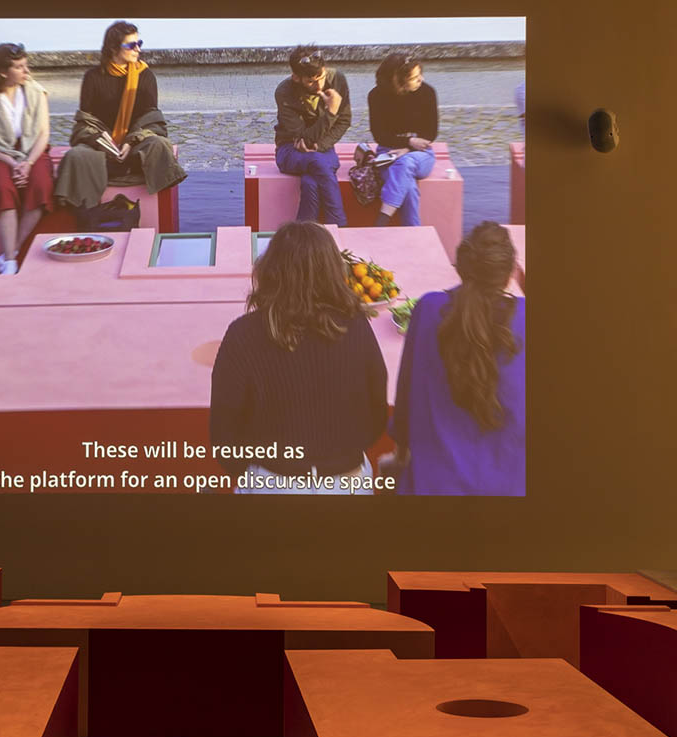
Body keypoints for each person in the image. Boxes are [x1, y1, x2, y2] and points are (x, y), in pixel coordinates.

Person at [210, 221, 388, 494]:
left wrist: (257, 472)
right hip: (348, 481)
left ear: (271, 270)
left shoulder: (243, 334)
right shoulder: (356, 326)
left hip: (273, 483)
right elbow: (377, 410)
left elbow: (223, 431)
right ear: (333, 271)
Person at [390, 222, 525, 495]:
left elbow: (405, 398)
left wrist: (400, 452)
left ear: (461, 264)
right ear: (510, 271)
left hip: (431, 486)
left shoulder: (429, 309)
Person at [53, 21, 186, 214]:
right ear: (113, 48)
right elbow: (85, 121)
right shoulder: (93, 77)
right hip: (102, 146)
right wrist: (99, 140)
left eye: (139, 43)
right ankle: (107, 183)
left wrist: (131, 141)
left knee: (159, 145)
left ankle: (121, 167)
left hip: (136, 144)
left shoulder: (145, 76)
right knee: (75, 156)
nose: (138, 49)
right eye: (131, 45)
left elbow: (152, 119)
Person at [0, 42, 53, 275]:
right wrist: (13, 163)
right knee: (2, 187)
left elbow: (44, 134)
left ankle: (12, 251)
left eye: (26, 65)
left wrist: (28, 163)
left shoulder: (37, 93)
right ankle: (9, 261)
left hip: (33, 149)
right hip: (0, 153)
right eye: (19, 67)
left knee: (41, 185)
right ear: (2, 72)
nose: (27, 71)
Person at [273, 45, 352, 226]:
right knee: (318, 162)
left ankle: (303, 233)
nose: (319, 86)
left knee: (311, 182)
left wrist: (320, 145)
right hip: (290, 149)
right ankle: (339, 225)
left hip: (323, 148)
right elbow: (303, 138)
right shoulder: (284, 92)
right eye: (310, 82)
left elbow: (344, 121)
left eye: (321, 78)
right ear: (296, 77)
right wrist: (330, 113)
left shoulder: (337, 79)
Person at [367, 52, 440, 227]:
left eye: (420, 74)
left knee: (405, 162)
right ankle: (414, 233)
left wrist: (408, 148)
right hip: (389, 152)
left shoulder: (427, 92)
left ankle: (382, 220)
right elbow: (379, 135)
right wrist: (408, 141)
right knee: (409, 188)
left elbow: (430, 133)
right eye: (414, 78)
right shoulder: (376, 96)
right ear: (397, 80)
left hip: (421, 154)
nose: (421, 79)